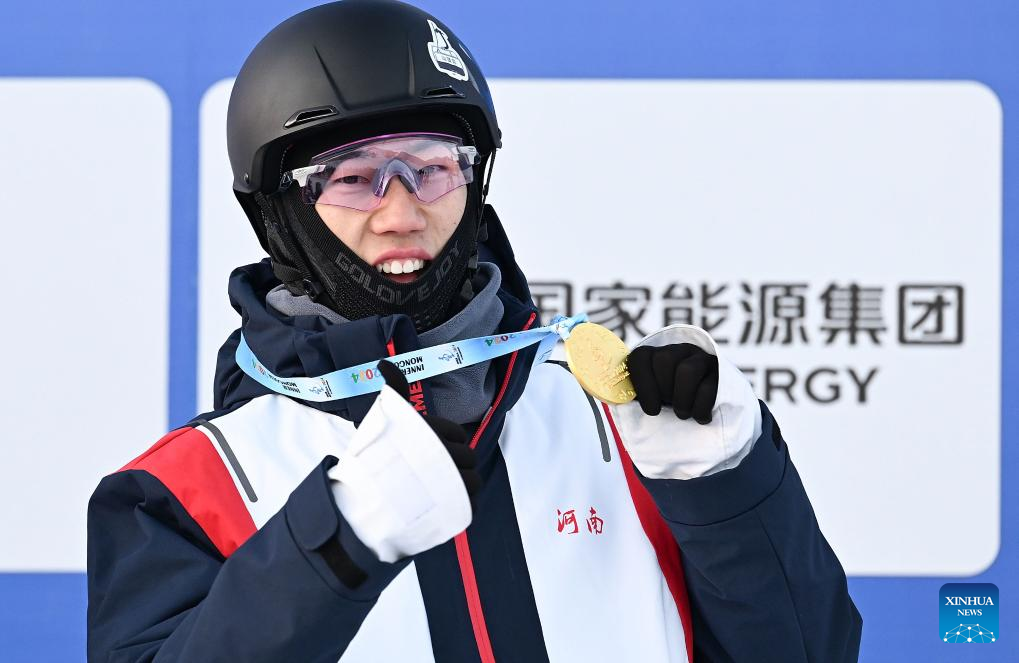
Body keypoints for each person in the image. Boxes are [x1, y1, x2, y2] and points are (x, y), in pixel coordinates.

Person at [86, 1, 863, 661]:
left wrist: (728, 484)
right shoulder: (184, 490)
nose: (402, 212)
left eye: (431, 167)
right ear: (277, 211)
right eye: (352, 178)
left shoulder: (625, 424)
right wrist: (334, 543)